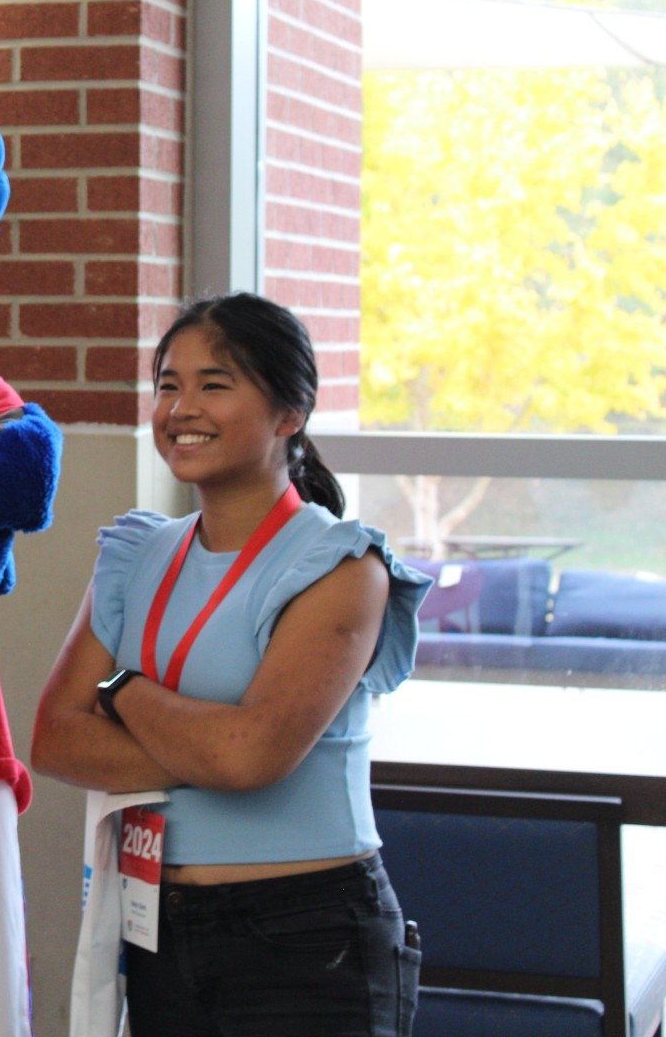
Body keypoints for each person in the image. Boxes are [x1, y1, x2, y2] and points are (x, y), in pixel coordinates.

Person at [31, 293, 429, 1036]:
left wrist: (123, 691)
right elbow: (54, 737)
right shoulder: (135, 553)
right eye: (168, 385)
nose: (182, 408)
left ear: (290, 413)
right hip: (157, 929)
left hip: (308, 935)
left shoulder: (340, 564)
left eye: (215, 384)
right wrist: (219, 746)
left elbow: (253, 758)